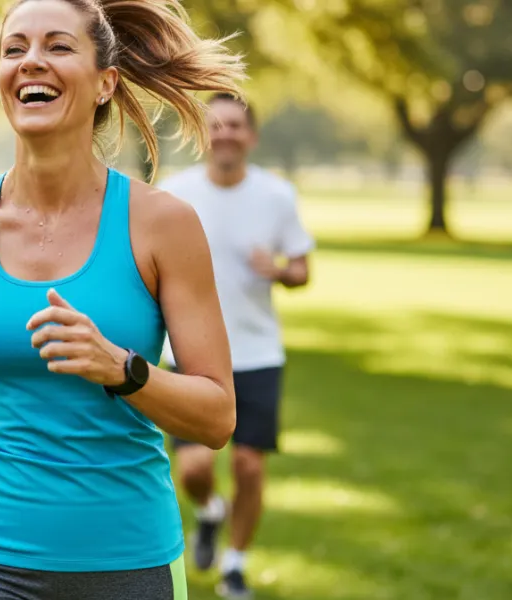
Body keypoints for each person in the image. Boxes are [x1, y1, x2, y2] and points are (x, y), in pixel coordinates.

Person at [0, 0, 247, 598]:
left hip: (128, 557)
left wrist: (122, 370)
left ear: (105, 84)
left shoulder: (163, 225)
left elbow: (218, 415)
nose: (31, 62)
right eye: (13, 49)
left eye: (58, 47)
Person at [158, 93, 314, 599]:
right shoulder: (174, 194)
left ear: (252, 137)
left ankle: (236, 565)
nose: (225, 134)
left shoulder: (277, 195)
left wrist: (281, 271)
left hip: (257, 353)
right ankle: (209, 512)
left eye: (235, 127)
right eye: (216, 126)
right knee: (195, 468)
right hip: (188, 355)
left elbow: (302, 269)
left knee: (248, 465)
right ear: (204, 135)